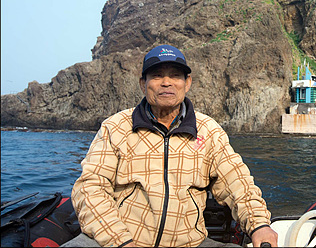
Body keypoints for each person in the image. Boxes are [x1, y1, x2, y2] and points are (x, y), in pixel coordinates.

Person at [69, 44, 278, 247]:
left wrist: (258, 224)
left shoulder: (208, 130)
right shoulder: (116, 127)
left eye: (175, 75)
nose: (166, 82)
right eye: (157, 75)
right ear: (143, 84)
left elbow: (237, 182)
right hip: (123, 240)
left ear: (187, 83)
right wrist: (121, 241)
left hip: (191, 243)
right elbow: (90, 188)